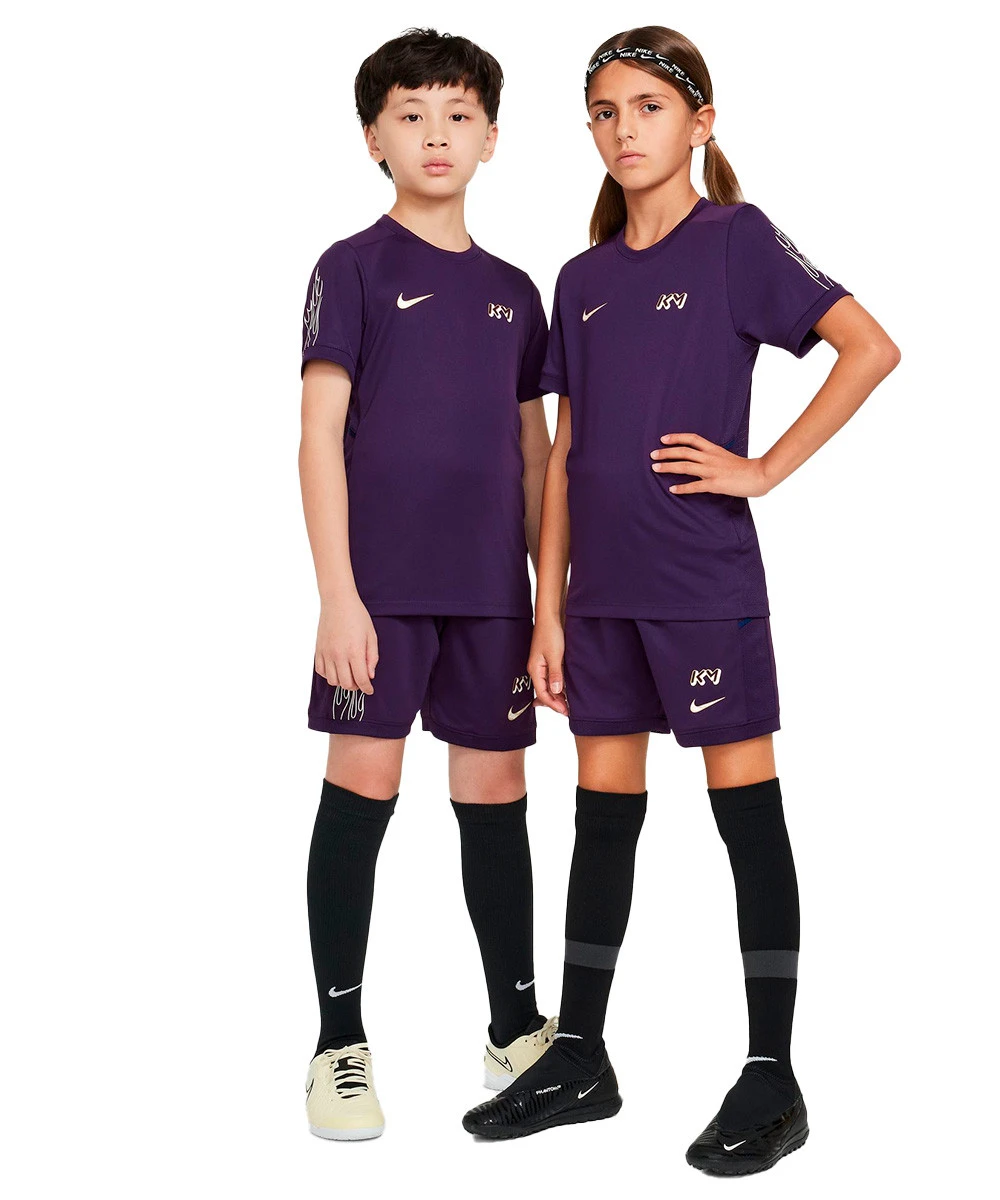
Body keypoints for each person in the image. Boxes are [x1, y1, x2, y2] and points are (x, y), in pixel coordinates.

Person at [461, 26, 900, 1176]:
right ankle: (582, 1056)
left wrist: (763, 469)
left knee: (744, 813)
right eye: (605, 111)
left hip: (702, 586)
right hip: (599, 602)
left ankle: (772, 1074)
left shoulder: (736, 240)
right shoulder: (583, 280)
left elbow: (867, 347)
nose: (624, 129)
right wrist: (547, 611)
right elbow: (564, 456)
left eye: (648, 107)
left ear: (699, 123)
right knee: (601, 816)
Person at [298, 28, 556, 1141]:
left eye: (458, 116)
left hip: (493, 592)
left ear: (491, 138)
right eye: (411, 116)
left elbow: (536, 459)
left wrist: (548, 606)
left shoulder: (516, 293)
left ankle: (516, 1027)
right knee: (364, 782)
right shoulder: (351, 267)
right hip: (382, 591)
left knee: (496, 793)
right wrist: (338, 595)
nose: (435, 135)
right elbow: (317, 436)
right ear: (375, 138)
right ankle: (338, 1044)